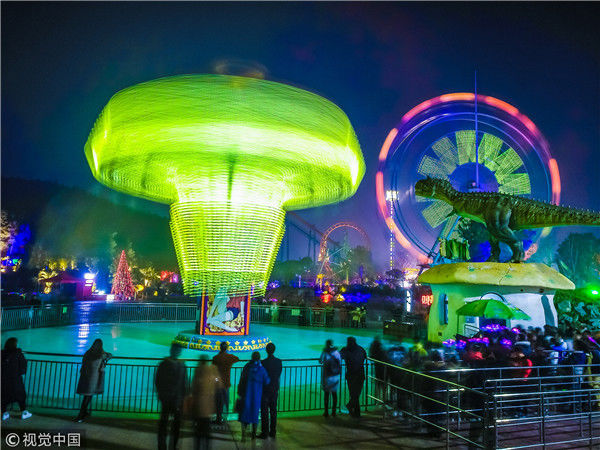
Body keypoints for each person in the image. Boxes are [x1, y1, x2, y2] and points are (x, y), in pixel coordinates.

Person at [155, 344, 187, 450]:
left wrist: (161, 394)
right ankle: (170, 446)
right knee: (173, 425)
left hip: (170, 398)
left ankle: (164, 446)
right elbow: (184, 383)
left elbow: (158, 381)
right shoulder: (181, 366)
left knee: (166, 424)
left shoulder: (164, 364)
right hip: (174, 399)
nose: (177, 352)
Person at [75, 339, 112, 422]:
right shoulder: (101, 354)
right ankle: (81, 416)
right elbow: (110, 355)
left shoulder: (88, 353)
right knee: (88, 396)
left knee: (87, 396)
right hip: (94, 378)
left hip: (85, 376)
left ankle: (84, 413)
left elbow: (83, 363)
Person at [237, 351, 270, 441]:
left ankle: (243, 436)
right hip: (256, 396)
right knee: (255, 416)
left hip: (246, 395)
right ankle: (253, 435)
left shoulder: (247, 367)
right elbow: (267, 381)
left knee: (244, 415)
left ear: (252, 357)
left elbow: (242, 379)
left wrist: (239, 392)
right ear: (259, 358)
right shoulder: (261, 369)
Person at [191, 354, 222, 450]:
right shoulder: (212, 370)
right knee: (207, 431)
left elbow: (193, 387)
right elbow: (218, 382)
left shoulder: (198, 370)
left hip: (198, 406)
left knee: (198, 432)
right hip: (208, 406)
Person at [1, 337, 31, 420]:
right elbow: (23, 367)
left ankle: (4, 413)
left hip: (4, 379)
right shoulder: (18, 353)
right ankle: (24, 412)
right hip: (15, 379)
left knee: (3, 395)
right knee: (20, 395)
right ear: (15, 344)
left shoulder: (2, 353)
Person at [212, 341, 239, 424]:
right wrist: (228, 353)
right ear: (226, 348)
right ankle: (225, 418)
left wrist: (216, 381)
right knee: (225, 401)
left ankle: (218, 418)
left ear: (220, 348)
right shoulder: (229, 357)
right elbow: (237, 358)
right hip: (226, 383)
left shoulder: (216, 358)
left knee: (218, 401)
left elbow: (213, 370)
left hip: (218, 383)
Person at [259, 343, 282, 439]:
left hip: (265, 390)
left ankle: (264, 432)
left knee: (264, 411)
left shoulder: (263, 363)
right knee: (273, 411)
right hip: (274, 389)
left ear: (266, 350)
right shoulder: (279, 362)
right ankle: (273, 431)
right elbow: (279, 374)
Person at [340, 337, 366, 418]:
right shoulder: (361, 349)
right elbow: (365, 356)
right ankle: (356, 413)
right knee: (356, 395)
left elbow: (339, 356)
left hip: (351, 375)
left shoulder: (346, 350)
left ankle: (350, 407)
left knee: (354, 394)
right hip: (360, 375)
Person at [319, 339, 342, 417]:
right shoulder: (337, 352)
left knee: (326, 394)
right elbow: (339, 362)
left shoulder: (325, 352)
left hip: (327, 376)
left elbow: (320, 361)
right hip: (335, 376)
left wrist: (323, 352)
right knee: (334, 394)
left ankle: (326, 412)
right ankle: (334, 411)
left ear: (326, 344)